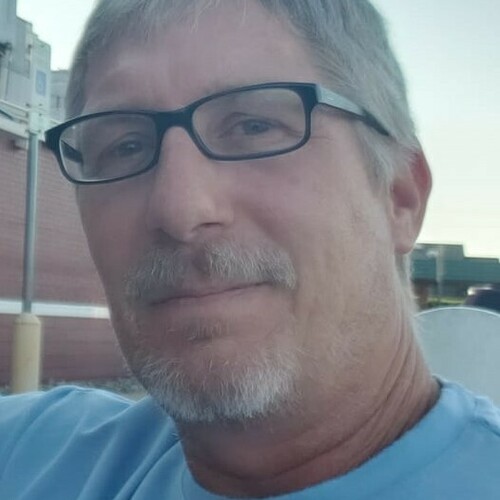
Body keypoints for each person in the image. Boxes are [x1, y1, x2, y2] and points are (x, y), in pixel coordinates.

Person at [1, 1, 499, 498]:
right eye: (126, 146)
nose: (179, 209)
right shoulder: (28, 455)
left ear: (400, 196)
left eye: (253, 126)